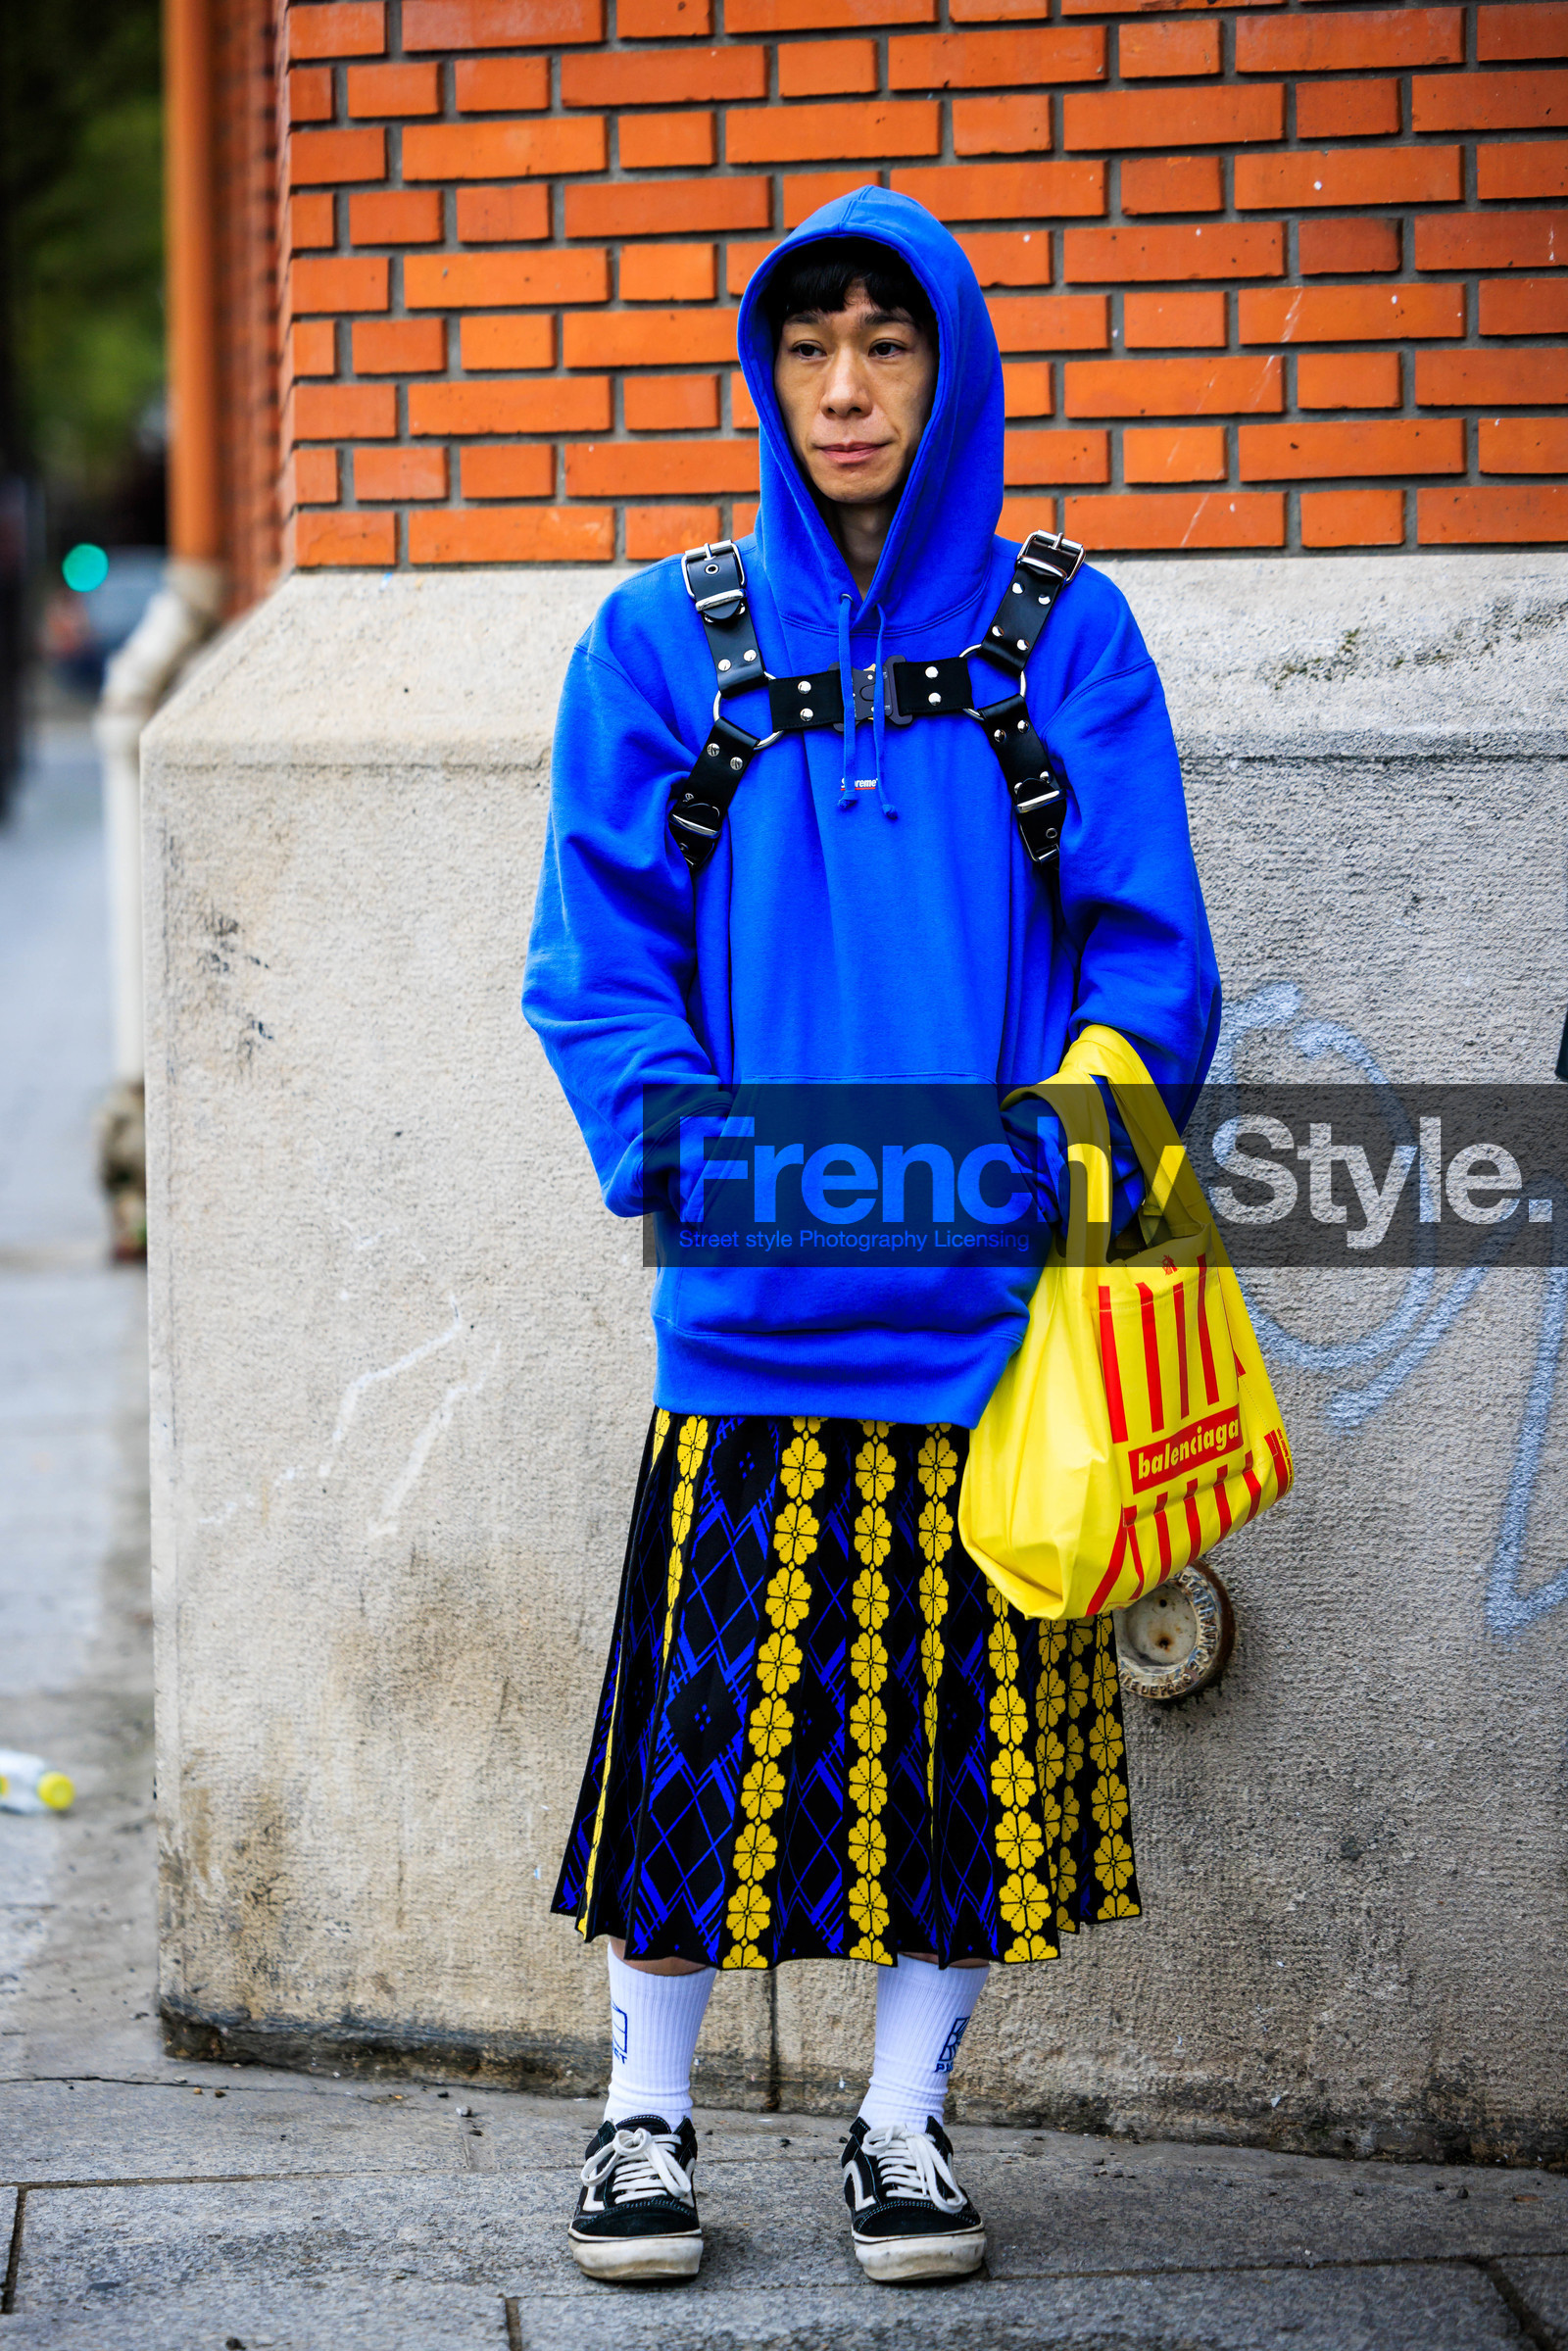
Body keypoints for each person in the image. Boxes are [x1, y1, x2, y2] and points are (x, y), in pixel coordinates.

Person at [523, 186, 1220, 2287]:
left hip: (991, 1334)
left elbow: (1152, 966)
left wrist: (1036, 1163)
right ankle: (641, 2123)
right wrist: (711, 1162)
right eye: (809, 343)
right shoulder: (663, 637)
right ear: (765, 369)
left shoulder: (1057, 633)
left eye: (887, 344)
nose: (845, 386)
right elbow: (594, 958)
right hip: (745, 1319)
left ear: (950, 366)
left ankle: (900, 2132)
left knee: (959, 1778)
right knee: (697, 1752)